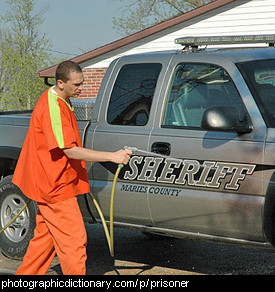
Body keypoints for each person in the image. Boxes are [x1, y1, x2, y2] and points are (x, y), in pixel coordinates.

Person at [12, 60, 132, 275]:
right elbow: (70, 150)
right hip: (55, 186)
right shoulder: (53, 107)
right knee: (74, 243)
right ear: (60, 83)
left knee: (45, 240)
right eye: (77, 85)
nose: (81, 88)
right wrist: (112, 156)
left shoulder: (60, 98)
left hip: (51, 182)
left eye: (82, 83)